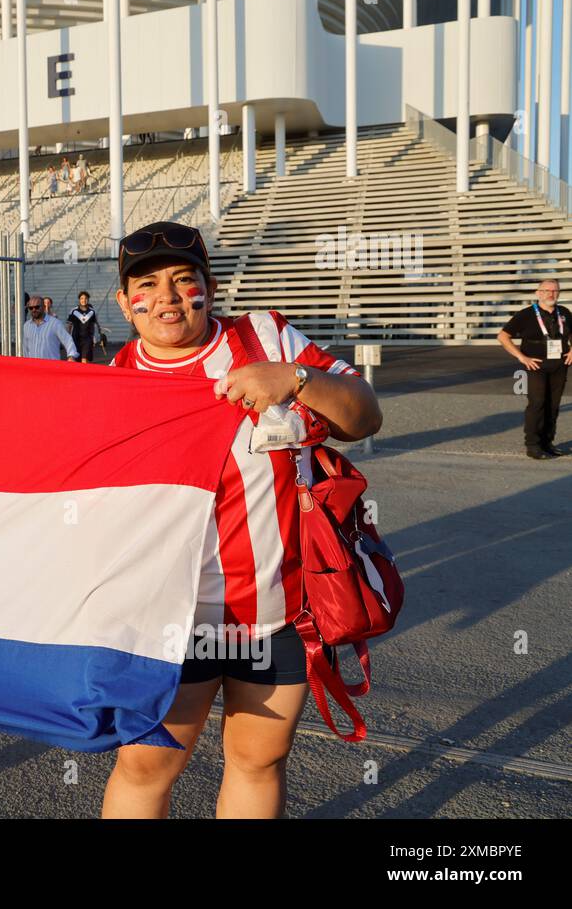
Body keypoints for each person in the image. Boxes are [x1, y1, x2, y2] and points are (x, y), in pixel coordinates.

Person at [100, 221, 381, 819]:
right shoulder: (112, 385)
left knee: (258, 761)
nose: (169, 298)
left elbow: (365, 415)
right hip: (168, 622)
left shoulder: (264, 338)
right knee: (145, 767)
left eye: (184, 280)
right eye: (147, 285)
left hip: (279, 609)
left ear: (212, 285)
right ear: (125, 303)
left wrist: (296, 380)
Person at [498, 279, 571, 459]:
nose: (551, 294)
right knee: (537, 404)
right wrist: (521, 357)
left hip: (559, 365)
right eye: (546, 290)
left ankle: (547, 443)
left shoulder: (564, 313)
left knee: (553, 405)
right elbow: (503, 336)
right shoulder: (526, 314)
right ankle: (533, 445)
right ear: (538, 293)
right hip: (535, 365)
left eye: (555, 291)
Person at [23, 294, 78, 362]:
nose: (34, 310)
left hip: (51, 367)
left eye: (37, 307)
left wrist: (71, 356)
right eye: (31, 308)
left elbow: (67, 340)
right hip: (33, 367)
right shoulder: (26, 326)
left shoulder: (55, 323)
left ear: (43, 307)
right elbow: (25, 348)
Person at [67, 290, 98, 364]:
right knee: (76, 361)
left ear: (88, 299)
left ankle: (85, 375)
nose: (84, 300)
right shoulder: (73, 311)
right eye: (82, 298)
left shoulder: (92, 312)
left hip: (87, 339)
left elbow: (93, 325)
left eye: (86, 298)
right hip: (75, 338)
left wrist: (94, 337)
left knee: (84, 360)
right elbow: (69, 325)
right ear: (79, 300)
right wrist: (68, 338)